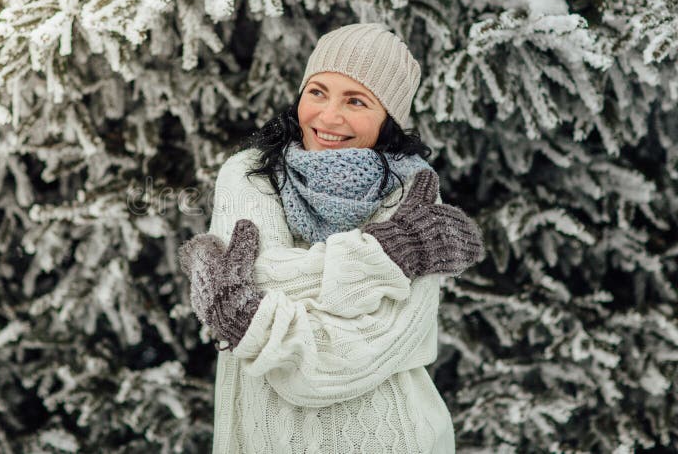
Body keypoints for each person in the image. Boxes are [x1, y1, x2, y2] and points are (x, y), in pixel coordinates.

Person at [178, 22, 485, 453]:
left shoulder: (413, 197)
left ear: (388, 120)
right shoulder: (250, 175)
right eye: (317, 91)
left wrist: (257, 321)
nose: (328, 116)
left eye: (356, 101)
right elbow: (263, 279)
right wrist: (391, 253)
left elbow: (367, 351)